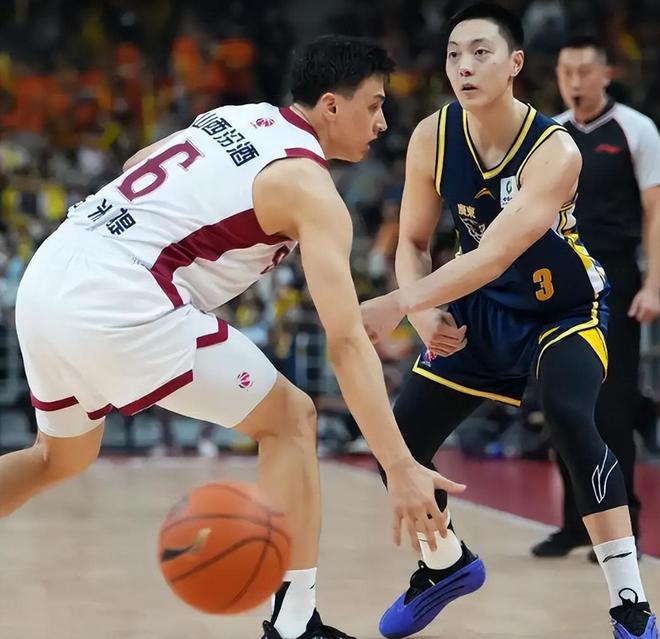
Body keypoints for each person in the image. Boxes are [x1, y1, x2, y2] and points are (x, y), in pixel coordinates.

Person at [1, 36, 464, 639]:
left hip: (51, 273)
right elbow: (346, 341)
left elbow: (137, 162)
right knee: (291, 419)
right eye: (374, 105)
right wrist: (399, 465)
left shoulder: (235, 117)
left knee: (58, 457)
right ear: (331, 105)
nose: (382, 123)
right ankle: (294, 626)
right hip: (118, 297)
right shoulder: (311, 189)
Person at [360, 5, 658, 639]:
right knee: (396, 446)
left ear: (515, 63)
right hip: (481, 309)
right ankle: (445, 564)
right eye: (453, 55)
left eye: (480, 53)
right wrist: (421, 311)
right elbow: (411, 241)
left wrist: (395, 305)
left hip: (563, 309)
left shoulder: (556, 150)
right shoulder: (432, 136)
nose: (463, 67)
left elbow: (495, 253)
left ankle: (630, 604)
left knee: (570, 414)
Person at [531, 34, 660, 561]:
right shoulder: (551, 133)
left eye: (585, 70)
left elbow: (655, 212)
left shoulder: (636, 129)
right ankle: (573, 524)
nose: (575, 80)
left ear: (606, 74)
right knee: (561, 404)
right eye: (566, 71)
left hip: (619, 282)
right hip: (563, 282)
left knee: (611, 408)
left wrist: (654, 284)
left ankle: (622, 530)